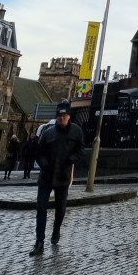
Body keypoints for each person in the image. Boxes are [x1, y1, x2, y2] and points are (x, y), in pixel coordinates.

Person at [30, 100, 85, 256]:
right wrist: (43, 163)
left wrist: (72, 159)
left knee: (60, 209)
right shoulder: (48, 132)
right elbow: (38, 152)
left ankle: (56, 230)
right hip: (46, 176)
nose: (62, 118)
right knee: (41, 208)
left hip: (63, 176)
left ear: (69, 117)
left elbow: (81, 149)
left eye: (65, 116)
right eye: (60, 116)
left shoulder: (76, 132)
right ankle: (39, 242)